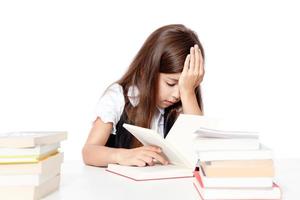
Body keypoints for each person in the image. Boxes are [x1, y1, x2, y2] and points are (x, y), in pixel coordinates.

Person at [82, 24, 205, 167]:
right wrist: (121, 155)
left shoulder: (180, 104)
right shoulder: (119, 97)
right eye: (171, 83)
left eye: (185, 86)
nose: (177, 95)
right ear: (147, 71)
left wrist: (188, 93)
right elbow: (89, 151)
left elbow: (199, 152)